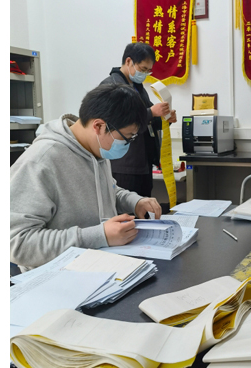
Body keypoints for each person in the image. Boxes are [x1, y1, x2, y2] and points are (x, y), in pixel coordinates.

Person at [10, 83, 162, 271]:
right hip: (56, 278)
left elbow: (108, 190)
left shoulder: (96, 149)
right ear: (98, 126)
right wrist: (99, 236)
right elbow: (17, 243)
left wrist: (134, 202)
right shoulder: (40, 162)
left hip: (99, 267)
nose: (128, 144)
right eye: (127, 137)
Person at [99, 42, 177, 198]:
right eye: (143, 69)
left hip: (143, 163)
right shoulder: (112, 86)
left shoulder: (138, 87)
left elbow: (147, 121)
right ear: (129, 61)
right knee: (127, 208)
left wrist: (164, 119)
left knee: (144, 208)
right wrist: (151, 112)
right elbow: (118, 122)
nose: (145, 74)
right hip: (125, 165)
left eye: (148, 71)